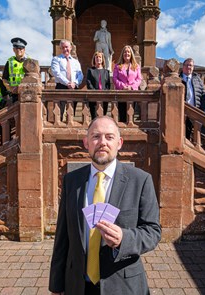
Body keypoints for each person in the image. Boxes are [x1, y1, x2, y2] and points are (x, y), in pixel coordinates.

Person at [49, 116, 161, 295]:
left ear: (119, 143)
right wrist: (56, 284)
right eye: (95, 136)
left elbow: (153, 231)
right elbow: (62, 237)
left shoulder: (140, 180)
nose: (102, 142)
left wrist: (124, 238)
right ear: (86, 143)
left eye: (109, 137)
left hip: (122, 286)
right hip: (77, 285)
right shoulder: (72, 181)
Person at [51, 39, 84, 118]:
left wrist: (75, 83)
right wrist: (67, 83)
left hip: (74, 87)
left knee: (72, 113)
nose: (65, 49)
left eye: (66, 47)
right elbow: (56, 73)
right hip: (61, 87)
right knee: (59, 112)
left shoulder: (75, 61)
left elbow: (80, 74)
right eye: (63, 47)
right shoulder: (56, 59)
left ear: (71, 47)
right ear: (61, 49)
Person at [112, 45, 142, 122]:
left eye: (128, 52)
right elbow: (114, 79)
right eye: (125, 52)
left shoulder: (136, 66)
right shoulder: (117, 66)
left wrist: (131, 87)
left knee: (131, 116)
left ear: (131, 54)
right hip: (121, 93)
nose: (127, 53)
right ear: (122, 54)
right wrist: (123, 86)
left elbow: (139, 79)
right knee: (122, 117)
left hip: (132, 94)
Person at [180, 58, 205, 139]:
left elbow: (203, 96)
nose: (189, 67)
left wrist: (201, 110)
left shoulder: (197, 79)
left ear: (193, 67)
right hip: (182, 111)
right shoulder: (178, 78)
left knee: (196, 136)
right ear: (183, 66)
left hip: (195, 111)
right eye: (187, 65)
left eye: (191, 65)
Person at [2, 37, 28, 103]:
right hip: (14, 94)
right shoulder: (9, 62)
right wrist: (10, 88)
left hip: (27, 92)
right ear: (13, 49)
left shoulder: (29, 61)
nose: (19, 50)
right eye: (17, 48)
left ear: (24, 49)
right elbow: (4, 79)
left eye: (21, 48)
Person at [86, 51, 111, 118]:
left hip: (104, 98)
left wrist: (104, 93)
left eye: (100, 57)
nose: (98, 58)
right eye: (96, 57)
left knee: (103, 117)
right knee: (94, 118)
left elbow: (108, 85)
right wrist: (95, 92)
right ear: (94, 59)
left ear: (102, 59)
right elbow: (89, 83)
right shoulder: (90, 71)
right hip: (93, 97)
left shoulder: (106, 72)